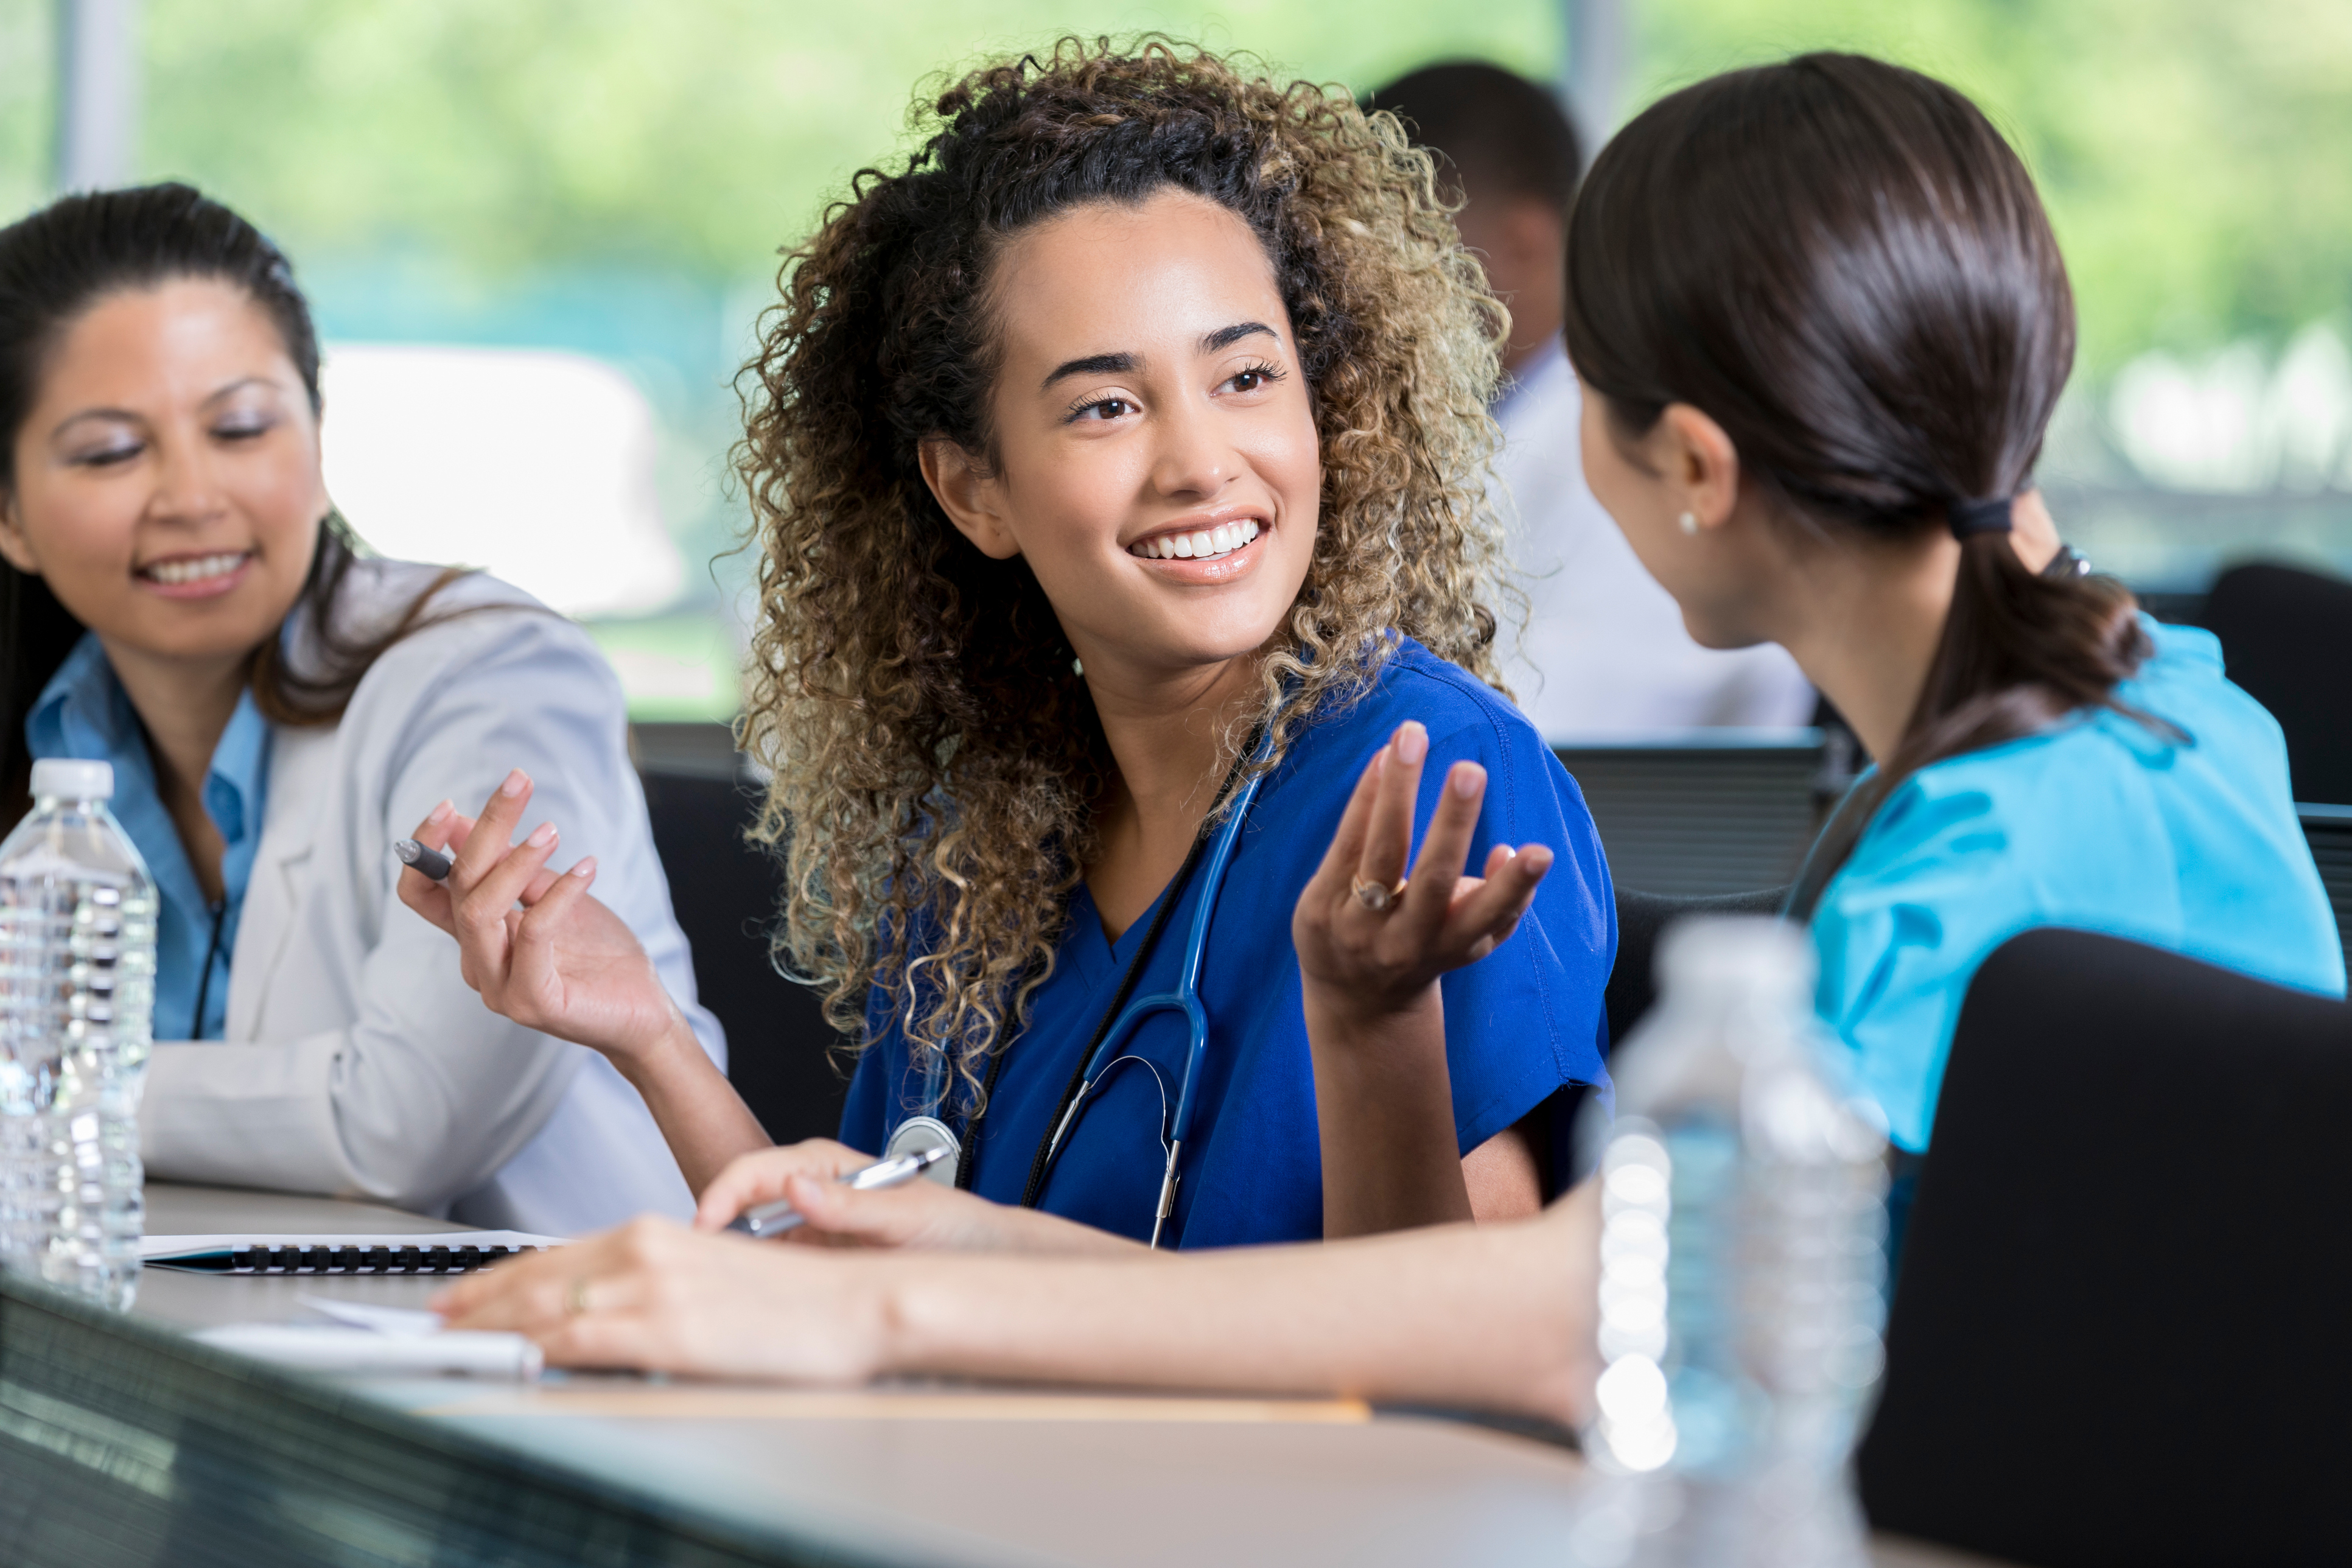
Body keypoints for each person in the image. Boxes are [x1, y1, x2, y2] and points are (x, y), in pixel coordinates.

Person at [437, 54, 2344, 1406]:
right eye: (1101, 404)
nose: (1197, 452)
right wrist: (857, 1233)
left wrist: (897, 1316)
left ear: (1683, 464)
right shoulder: (2179, 713)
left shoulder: (1945, 871)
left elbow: (1582, 1319)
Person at [399, 39, 1617, 1252]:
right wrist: (646, 1032)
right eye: (1106, 405)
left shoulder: (1434, 774)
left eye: (1246, 375)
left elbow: (1455, 1351)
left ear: (1324, 408)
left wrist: (1382, 1028)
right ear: (974, 490)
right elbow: (868, 1273)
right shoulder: (983, 841)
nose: (1200, 463)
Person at [0, 183, 725, 1235]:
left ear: (316, 434)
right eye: (112, 451)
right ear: (12, 516)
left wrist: (44, 1087)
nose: (192, 495)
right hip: (184, 1329)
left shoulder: (487, 677)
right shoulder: (59, 740)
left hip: (543, 1357)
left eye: (241, 428)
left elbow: (403, 1123)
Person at [1369, 61, 1813, 738]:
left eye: (1391, 250)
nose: (1361, 290)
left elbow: (1537, 717)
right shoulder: (1490, 414)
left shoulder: (1632, 431)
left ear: (1522, 242)